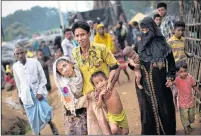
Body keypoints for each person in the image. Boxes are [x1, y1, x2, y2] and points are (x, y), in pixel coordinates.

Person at [128, 17, 176, 135]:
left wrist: (170, 77)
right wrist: (133, 65)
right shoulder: (139, 45)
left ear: (153, 29)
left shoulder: (163, 44)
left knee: (165, 108)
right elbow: (131, 62)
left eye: (147, 30)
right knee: (148, 111)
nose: (145, 33)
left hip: (161, 84)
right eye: (142, 30)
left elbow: (171, 63)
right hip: (145, 86)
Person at [71, 21, 120, 135]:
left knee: (115, 128)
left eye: (82, 34)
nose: (80, 38)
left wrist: (110, 86)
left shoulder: (101, 48)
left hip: (106, 95)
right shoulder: (74, 53)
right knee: (98, 130)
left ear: (89, 34)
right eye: (77, 35)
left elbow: (115, 66)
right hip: (90, 98)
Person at [12, 44, 58, 135]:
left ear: (25, 53)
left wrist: (40, 92)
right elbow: (18, 83)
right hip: (27, 97)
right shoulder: (15, 67)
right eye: (17, 54)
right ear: (14, 55)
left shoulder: (34, 62)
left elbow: (43, 78)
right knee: (32, 119)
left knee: (46, 115)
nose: (20, 55)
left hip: (38, 93)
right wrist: (20, 96)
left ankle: (53, 127)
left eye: (22, 53)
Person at [53, 57, 88, 135]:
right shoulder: (64, 87)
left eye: (65, 65)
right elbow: (70, 103)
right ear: (60, 74)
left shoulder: (80, 71)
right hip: (74, 114)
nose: (64, 70)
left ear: (71, 63)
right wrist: (87, 97)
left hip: (87, 108)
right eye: (61, 70)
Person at [168, 61, 201, 134]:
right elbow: (172, 83)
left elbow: (194, 86)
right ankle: (186, 129)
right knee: (184, 117)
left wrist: (199, 92)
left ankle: (188, 126)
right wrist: (170, 82)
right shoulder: (177, 79)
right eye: (181, 72)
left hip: (191, 101)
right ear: (177, 73)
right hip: (182, 103)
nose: (184, 73)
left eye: (185, 71)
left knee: (191, 116)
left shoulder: (190, 78)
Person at [168, 21, 186, 110]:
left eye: (182, 30)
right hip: (174, 68)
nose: (181, 32)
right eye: (179, 30)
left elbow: (184, 51)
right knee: (175, 88)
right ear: (174, 30)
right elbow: (167, 56)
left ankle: (182, 104)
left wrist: (189, 55)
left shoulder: (183, 40)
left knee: (182, 86)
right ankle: (174, 106)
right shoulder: (170, 42)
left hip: (183, 67)